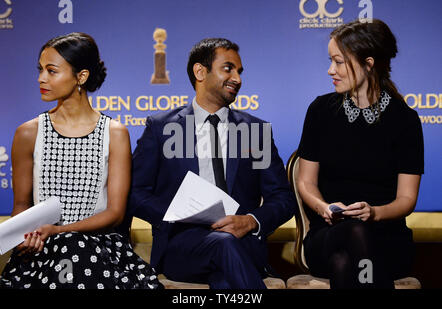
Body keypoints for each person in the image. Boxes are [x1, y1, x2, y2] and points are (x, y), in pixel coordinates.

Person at [0, 32, 162, 289]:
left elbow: (115, 213)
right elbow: (21, 206)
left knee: (76, 247)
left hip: (100, 246)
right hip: (43, 250)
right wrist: (26, 237)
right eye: (40, 70)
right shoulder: (28, 133)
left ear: (81, 76)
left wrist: (60, 230)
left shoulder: (114, 133)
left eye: (51, 71)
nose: (41, 78)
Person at [125, 38, 295, 289]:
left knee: (225, 276)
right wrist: (178, 213)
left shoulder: (255, 131)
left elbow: (282, 198)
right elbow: (135, 194)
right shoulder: (161, 128)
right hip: (182, 245)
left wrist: (250, 220)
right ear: (200, 72)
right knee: (223, 246)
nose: (237, 78)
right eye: (228, 69)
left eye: (239, 71)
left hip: (242, 241)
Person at [296, 19, 424, 289]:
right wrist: (325, 208)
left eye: (339, 62)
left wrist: (373, 213)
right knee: (351, 236)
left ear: (368, 63)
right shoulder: (320, 111)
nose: (331, 70)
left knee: (344, 261)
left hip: (386, 237)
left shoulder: (405, 120)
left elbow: (406, 198)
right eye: (331, 61)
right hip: (328, 234)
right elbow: (306, 182)